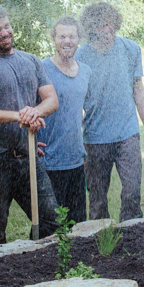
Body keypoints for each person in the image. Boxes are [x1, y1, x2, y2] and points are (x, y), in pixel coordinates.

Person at [0, 4, 60, 245]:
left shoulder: (31, 60)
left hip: (27, 158)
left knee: (51, 219)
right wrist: (19, 116)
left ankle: (36, 263)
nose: (5, 32)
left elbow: (52, 99)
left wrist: (34, 112)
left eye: (7, 26)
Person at [77, 2, 144, 221]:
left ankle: (133, 239)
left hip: (127, 135)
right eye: (101, 26)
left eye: (110, 25)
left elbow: (138, 89)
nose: (107, 30)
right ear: (91, 28)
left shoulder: (131, 49)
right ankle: (101, 245)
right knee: (98, 199)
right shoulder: (81, 56)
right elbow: (75, 99)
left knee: (131, 193)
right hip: (94, 138)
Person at [41, 16, 90, 223]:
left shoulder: (86, 71)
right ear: (53, 39)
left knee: (78, 225)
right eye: (62, 36)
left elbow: (81, 110)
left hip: (76, 161)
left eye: (71, 36)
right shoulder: (41, 68)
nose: (67, 41)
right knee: (49, 226)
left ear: (79, 39)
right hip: (48, 161)